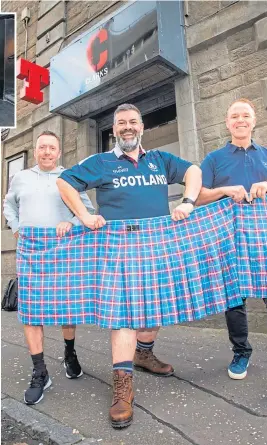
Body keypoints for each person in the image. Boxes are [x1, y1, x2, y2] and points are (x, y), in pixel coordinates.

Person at [56, 103, 202, 428]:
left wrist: (188, 201)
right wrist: (83, 215)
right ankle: (123, 389)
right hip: (118, 248)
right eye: (121, 123)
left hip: (157, 245)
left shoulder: (160, 160)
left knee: (156, 308)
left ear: (141, 126)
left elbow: (193, 171)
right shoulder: (103, 162)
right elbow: (65, 182)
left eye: (132, 122)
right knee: (124, 316)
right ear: (114, 129)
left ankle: (144, 353)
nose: (127, 127)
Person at [196, 98, 267, 417]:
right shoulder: (215, 159)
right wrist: (225, 191)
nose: (240, 120)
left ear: (253, 122)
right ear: (228, 123)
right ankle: (241, 351)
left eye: (246, 115)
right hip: (228, 232)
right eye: (234, 116)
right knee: (234, 299)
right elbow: (199, 194)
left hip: (264, 234)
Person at [3, 130, 95, 405]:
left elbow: (86, 211)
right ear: (36, 150)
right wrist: (17, 228)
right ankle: (40, 371)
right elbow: (8, 205)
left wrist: (73, 222)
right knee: (31, 310)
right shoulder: (21, 178)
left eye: (51, 148)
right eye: (42, 147)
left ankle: (69, 353)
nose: (46, 152)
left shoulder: (69, 179)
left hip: (62, 250)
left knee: (67, 307)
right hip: (30, 251)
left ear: (58, 152)